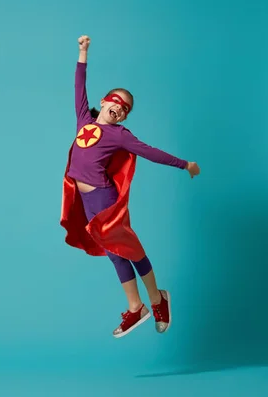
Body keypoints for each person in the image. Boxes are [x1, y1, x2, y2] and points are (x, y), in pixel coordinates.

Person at [60, 35, 200, 338]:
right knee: (115, 253)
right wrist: (83, 53)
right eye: (117, 102)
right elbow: (78, 86)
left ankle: (156, 298)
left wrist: (184, 164)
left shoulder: (120, 135)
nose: (121, 109)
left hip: (104, 198)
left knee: (128, 248)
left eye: (126, 109)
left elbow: (149, 151)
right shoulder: (85, 119)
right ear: (104, 101)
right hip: (85, 199)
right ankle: (137, 307)